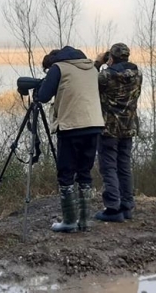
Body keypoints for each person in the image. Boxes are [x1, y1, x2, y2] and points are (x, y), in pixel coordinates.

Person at [35, 46, 105, 232]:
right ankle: (84, 221)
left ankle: (69, 222)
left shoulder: (58, 68)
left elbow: (42, 96)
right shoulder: (91, 67)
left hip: (71, 126)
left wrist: (44, 83)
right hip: (94, 125)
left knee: (66, 174)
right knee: (84, 172)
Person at [93, 43, 142, 222]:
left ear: (111, 58)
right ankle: (127, 206)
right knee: (124, 166)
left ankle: (113, 208)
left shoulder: (106, 76)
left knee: (109, 167)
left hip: (109, 128)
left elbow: (89, 80)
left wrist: (98, 62)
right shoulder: (138, 74)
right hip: (129, 127)